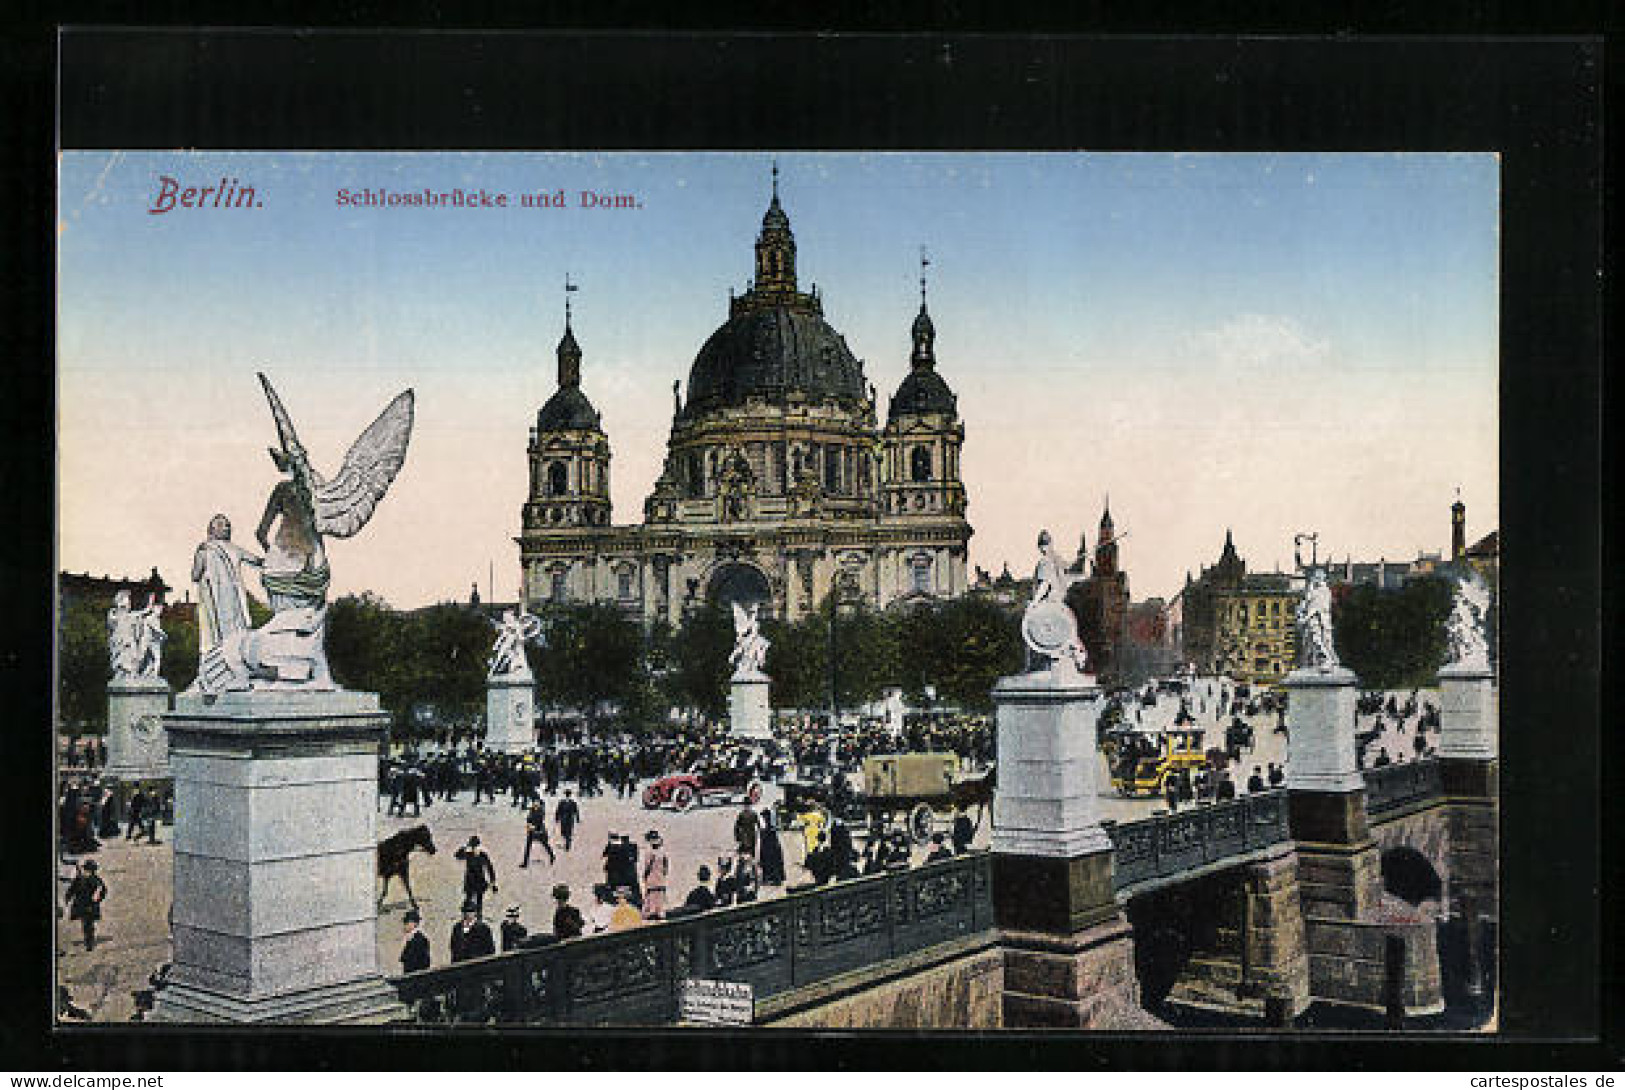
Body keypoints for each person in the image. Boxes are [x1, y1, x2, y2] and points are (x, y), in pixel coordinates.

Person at [64, 860, 106, 951]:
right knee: (85, 924)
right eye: (86, 870)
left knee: (88, 924)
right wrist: (67, 898)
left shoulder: (95, 879)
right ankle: (88, 940)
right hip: (81, 905)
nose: (87, 872)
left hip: (90, 905)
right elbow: (71, 889)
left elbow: (103, 890)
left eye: (89, 871)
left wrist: (98, 898)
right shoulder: (79, 879)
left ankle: (89, 943)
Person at [455, 835, 498, 915]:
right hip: (470, 881)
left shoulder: (482, 855)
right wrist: (465, 847)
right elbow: (457, 855)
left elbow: (490, 868)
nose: (474, 848)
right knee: (468, 900)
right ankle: (466, 916)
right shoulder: (468, 854)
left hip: (479, 881)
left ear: (478, 846)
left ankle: (478, 917)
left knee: (479, 901)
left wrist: (493, 883)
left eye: (475, 846)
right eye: (472, 846)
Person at [641, 831, 670, 920]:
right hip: (661, 880)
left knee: (651, 902)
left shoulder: (649, 853)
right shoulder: (663, 853)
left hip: (652, 880)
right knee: (660, 902)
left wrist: (644, 877)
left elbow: (647, 868)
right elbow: (666, 868)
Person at [520, 799, 555, 867]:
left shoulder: (541, 811)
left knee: (545, 844)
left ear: (539, 805)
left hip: (539, 831)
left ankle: (552, 855)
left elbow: (540, 821)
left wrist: (534, 826)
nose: (535, 805)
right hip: (531, 831)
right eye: (534, 803)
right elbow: (528, 819)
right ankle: (525, 863)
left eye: (536, 804)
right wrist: (529, 825)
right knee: (528, 847)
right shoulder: (532, 810)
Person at [399, 909, 431, 973]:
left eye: (406, 923)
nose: (404, 926)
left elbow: (423, 962)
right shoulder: (411, 939)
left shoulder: (420, 939)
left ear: (413, 924)